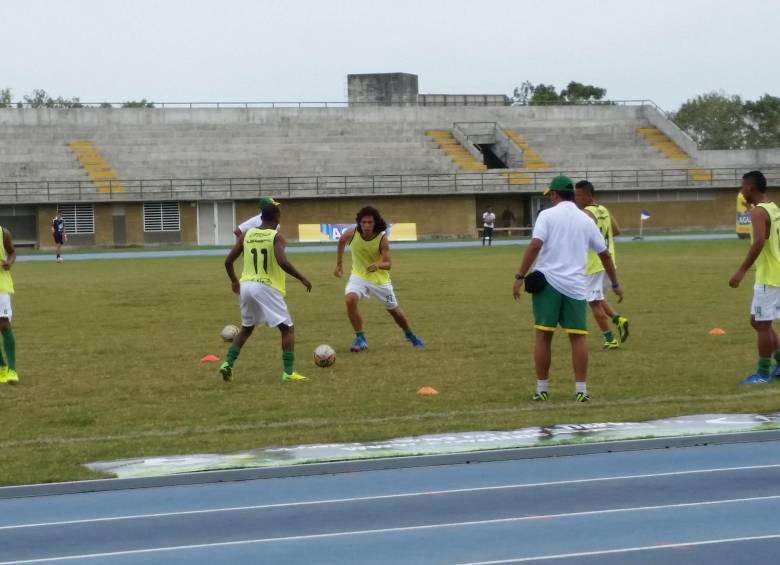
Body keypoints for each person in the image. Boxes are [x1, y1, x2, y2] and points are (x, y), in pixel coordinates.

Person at [512, 176, 623, 402]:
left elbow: (535, 245)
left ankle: (542, 389)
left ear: (554, 194)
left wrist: (520, 276)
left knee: (543, 336)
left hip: (549, 284)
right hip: (575, 285)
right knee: (578, 337)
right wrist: (616, 283)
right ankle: (581, 391)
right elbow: (604, 255)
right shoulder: (585, 220)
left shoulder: (547, 215)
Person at [220, 201, 312, 383]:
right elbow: (282, 262)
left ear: (260, 217)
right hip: (265, 286)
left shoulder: (247, 234)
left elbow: (228, 261)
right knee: (287, 328)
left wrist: (234, 281)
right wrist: (302, 277)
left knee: (246, 328)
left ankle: (227, 363)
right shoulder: (276, 237)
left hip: (246, 285)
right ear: (277, 217)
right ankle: (288, 372)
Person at [334, 206, 424, 352]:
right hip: (359, 276)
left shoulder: (382, 239)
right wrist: (339, 264)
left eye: (370, 222)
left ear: (375, 223)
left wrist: (378, 265)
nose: (367, 225)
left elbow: (388, 264)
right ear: (359, 223)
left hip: (379, 281)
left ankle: (410, 335)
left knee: (394, 311)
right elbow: (341, 242)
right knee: (350, 299)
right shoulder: (352, 233)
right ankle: (360, 338)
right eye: (364, 222)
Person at [729, 170, 780, 384]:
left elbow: (759, 242)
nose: (741, 191)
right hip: (775, 272)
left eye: (743, 187)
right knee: (758, 321)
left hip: (769, 276)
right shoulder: (772, 207)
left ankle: (761, 374)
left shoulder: (759, 213)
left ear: (750, 187)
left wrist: (740, 271)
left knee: (761, 323)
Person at [574, 180, 630, 349]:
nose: (576, 198)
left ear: (588, 195)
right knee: (598, 298)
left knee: (593, 302)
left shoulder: (585, 213)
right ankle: (618, 320)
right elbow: (617, 231)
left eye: (578, 195)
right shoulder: (603, 209)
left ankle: (610, 339)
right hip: (608, 261)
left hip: (594, 264)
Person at [0, 225, 18, 384]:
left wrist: (9, 263)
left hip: (1, 286)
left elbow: (12, 252)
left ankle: (12, 369)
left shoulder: (3, 232)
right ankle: (2, 367)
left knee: (4, 324)